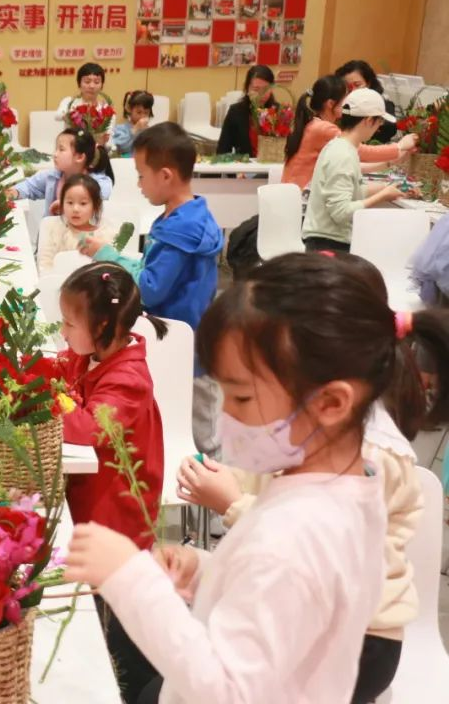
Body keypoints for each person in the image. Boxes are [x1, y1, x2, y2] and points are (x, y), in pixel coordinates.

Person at [63, 252, 449, 704]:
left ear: (331, 404)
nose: (225, 417)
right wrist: (208, 572)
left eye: (242, 398)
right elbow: (286, 595)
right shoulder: (337, 489)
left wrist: (130, 579)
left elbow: (225, 687)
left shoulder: (301, 528)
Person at [175, 252, 424, 704]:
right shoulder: (312, 441)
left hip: (359, 638)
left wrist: (230, 504)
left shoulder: (368, 458)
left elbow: (304, 555)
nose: (228, 415)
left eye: (242, 396)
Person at [58, 262, 169, 703]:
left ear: (102, 327)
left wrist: (46, 399)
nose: (63, 332)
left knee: (111, 607)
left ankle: (125, 681)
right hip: (94, 491)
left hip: (116, 508)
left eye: (69, 324)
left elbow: (88, 428)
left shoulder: (128, 377)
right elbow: (62, 369)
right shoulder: (94, 355)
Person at [79, 123, 224, 456]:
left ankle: (217, 484)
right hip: (186, 339)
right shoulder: (188, 215)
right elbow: (155, 270)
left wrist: (108, 255)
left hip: (185, 345)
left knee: (201, 434)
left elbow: (150, 288)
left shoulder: (182, 229)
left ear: (166, 176)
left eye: (141, 176)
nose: (139, 185)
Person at [302, 88, 407, 252]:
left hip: (326, 241)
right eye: (379, 121)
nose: (379, 127)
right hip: (327, 245)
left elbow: (351, 191)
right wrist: (383, 195)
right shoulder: (343, 154)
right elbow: (341, 213)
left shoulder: (342, 147)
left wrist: (387, 188)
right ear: (368, 120)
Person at [283, 75, 416, 189]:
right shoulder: (323, 129)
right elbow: (361, 151)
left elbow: (352, 165)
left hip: (296, 193)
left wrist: (391, 161)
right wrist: (399, 146)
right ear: (330, 104)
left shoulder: (313, 123)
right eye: (345, 100)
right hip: (301, 197)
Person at [7, 128, 115, 214]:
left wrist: (67, 204)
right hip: (51, 232)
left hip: (82, 234)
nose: (55, 154)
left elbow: (98, 195)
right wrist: (15, 192)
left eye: (61, 149)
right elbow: (30, 186)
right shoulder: (52, 176)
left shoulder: (99, 183)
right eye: (56, 149)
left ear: (80, 157)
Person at [38, 174, 114, 273]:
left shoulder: (105, 234)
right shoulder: (52, 227)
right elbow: (45, 265)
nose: (75, 209)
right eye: (70, 202)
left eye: (83, 203)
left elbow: (109, 269)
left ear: (96, 206)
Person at [217, 65, 276, 157]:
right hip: (244, 164)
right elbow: (222, 150)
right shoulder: (236, 112)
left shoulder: (279, 112)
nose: (261, 94)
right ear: (247, 88)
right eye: (256, 89)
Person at [336, 60, 399, 144]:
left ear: (369, 83)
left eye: (357, 85)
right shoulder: (344, 104)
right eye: (349, 87)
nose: (354, 90)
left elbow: (390, 128)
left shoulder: (382, 103)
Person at [113, 90, 155, 157]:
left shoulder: (150, 131)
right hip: (127, 162)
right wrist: (135, 129)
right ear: (129, 109)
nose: (142, 116)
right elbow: (121, 148)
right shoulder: (120, 129)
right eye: (139, 112)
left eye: (146, 113)